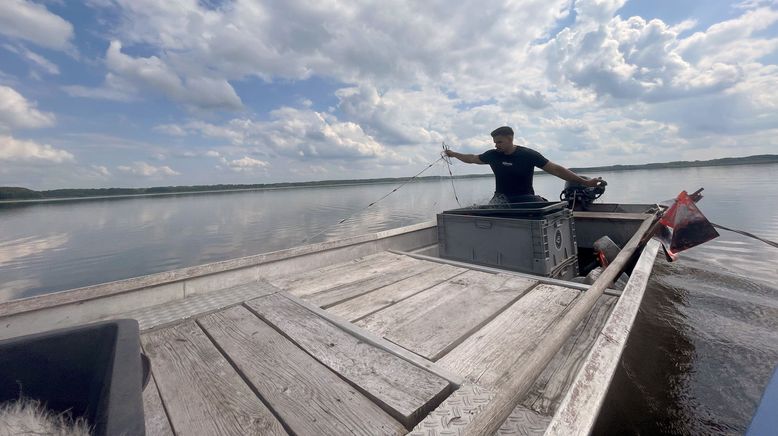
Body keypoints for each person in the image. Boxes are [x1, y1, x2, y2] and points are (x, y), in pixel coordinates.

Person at [444, 126, 605, 204]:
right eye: (494, 142)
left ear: (510, 138)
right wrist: (453, 154)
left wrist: (585, 182)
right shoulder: (492, 155)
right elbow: (472, 158)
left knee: (552, 209)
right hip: (501, 199)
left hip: (526, 198)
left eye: (499, 142)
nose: (496, 145)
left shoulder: (528, 155)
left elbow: (556, 169)